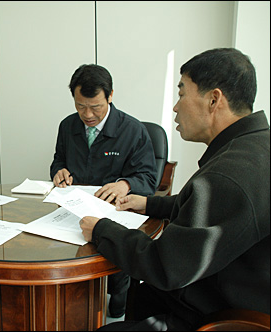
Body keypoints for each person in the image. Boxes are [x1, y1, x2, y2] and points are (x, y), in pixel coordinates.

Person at [80, 48, 270, 331]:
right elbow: (211, 212)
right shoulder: (255, 147)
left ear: (214, 100)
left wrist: (101, 230)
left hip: (216, 315)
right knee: (141, 296)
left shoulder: (227, 176)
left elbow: (164, 266)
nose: (175, 107)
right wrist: (149, 204)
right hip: (234, 287)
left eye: (182, 93)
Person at [50, 64, 158, 318]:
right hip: (73, 210)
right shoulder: (68, 126)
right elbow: (58, 159)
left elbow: (148, 178)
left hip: (115, 213)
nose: (87, 115)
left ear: (110, 96)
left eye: (95, 106)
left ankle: (118, 291)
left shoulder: (132, 130)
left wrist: (126, 184)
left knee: (116, 277)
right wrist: (59, 171)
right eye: (80, 106)